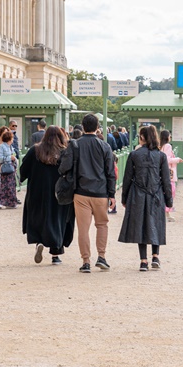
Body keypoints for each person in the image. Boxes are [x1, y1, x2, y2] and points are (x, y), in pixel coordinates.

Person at [59, 113, 117, 273]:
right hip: (101, 193)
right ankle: (102, 257)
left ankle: (86, 261)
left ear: (83, 127)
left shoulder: (75, 145)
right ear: (97, 127)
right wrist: (112, 194)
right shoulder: (105, 146)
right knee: (102, 225)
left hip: (81, 193)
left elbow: (63, 167)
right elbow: (110, 172)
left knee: (83, 229)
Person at [119, 125, 173, 271]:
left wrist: (124, 198)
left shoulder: (134, 155)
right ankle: (155, 256)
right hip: (156, 193)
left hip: (138, 193)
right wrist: (169, 200)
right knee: (157, 224)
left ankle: (143, 261)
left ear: (142, 137)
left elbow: (127, 178)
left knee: (140, 226)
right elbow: (166, 180)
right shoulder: (161, 156)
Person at [19, 126, 74, 266]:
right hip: (59, 192)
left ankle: (39, 241)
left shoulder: (35, 150)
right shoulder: (65, 151)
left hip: (38, 190)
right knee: (58, 219)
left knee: (39, 216)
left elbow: (23, 170)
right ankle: (56, 254)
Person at [159, 129, 183, 222]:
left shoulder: (161, 146)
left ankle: (165, 213)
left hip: (163, 172)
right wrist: (177, 159)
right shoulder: (168, 146)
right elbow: (167, 159)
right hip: (169, 173)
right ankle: (167, 212)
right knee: (170, 191)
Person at [0, 128, 20, 209]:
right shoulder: (1, 147)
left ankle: (11, 202)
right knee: (5, 185)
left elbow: (14, 155)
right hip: (5, 167)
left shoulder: (10, 147)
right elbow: (0, 158)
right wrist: (10, 157)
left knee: (11, 186)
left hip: (11, 167)